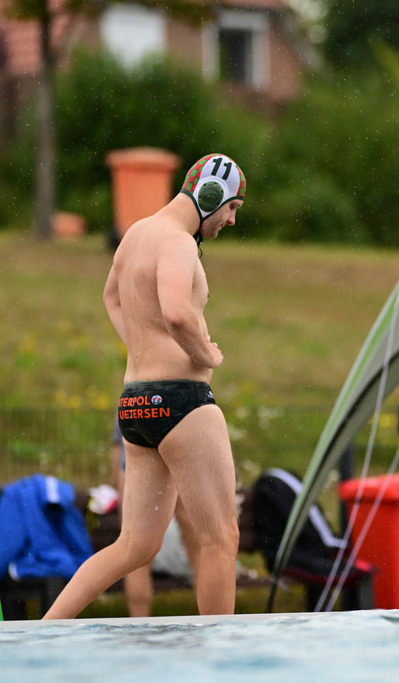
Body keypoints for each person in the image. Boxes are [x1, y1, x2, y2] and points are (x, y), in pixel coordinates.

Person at [44, 153, 245, 619]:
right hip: (183, 405)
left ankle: (42, 631)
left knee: (134, 545)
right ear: (210, 196)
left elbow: (110, 296)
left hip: (136, 404)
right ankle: (224, 661)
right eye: (231, 207)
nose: (231, 219)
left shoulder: (136, 234)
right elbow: (176, 312)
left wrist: (140, 343)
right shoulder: (177, 242)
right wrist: (204, 353)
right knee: (221, 537)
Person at [110, 418, 197, 617]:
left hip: (138, 462)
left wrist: (121, 487)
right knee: (200, 549)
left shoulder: (135, 391)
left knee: (136, 554)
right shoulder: (185, 390)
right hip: (183, 454)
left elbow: (118, 449)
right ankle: (213, 623)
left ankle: (140, 627)